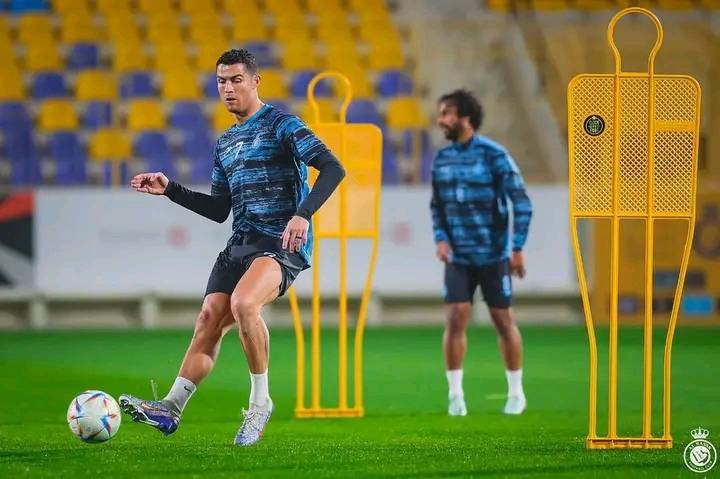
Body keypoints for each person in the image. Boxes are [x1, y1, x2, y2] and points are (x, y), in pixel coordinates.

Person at [118, 49, 345, 446]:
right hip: (240, 243)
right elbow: (219, 209)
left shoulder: (283, 124)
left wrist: (303, 215)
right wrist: (171, 190)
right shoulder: (225, 143)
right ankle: (170, 407)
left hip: (280, 242)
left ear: (256, 81)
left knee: (244, 304)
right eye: (221, 81)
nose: (228, 88)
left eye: (236, 79)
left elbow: (333, 168)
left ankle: (260, 403)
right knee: (209, 319)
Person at [430, 89, 532, 417]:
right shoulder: (441, 159)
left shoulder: (495, 155)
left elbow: (522, 202)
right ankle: (455, 396)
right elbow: (437, 206)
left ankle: (516, 393)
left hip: (493, 255)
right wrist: (441, 238)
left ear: (465, 117)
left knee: (503, 320)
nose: (440, 120)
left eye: (446, 113)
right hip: (458, 256)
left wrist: (517, 247)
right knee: (455, 318)